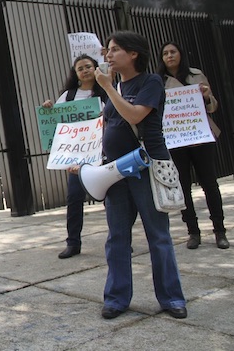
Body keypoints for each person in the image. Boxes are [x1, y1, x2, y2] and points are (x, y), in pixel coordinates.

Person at [93, 30, 186, 320]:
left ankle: (171, 298)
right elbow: (108, 128)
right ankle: (116, 298)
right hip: (116, 173)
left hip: (146, 169)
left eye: (115, 49)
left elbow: (135, 116)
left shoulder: (150, 82)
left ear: (133, 54)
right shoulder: (113, 88)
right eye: (108, 50)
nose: (108, 55)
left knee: (158, 236)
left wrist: (108, 89)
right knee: (117, 237)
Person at [157, 42, 229, 250]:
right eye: (165, 53)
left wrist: (206, 97)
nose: (169, 56)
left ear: (181, 54)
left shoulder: (196, 75)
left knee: (210, 184)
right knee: (183, 187)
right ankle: (193, 232)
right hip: (176, 140)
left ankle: (220, 230)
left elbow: (213, 106)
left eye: (173, 52)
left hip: (200, 136)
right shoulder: (158, 81)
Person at [42, 54, 108, 259]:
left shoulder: (106, 92)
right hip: (76, 159)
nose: (85, 70)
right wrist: (48, 110)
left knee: (112, 200)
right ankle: (73, 243)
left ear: (95, 68)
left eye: (88, 66)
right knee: (74, 199)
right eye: (80, 68)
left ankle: (121, 238)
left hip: (104, 154)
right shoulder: (68, 97)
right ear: (76, 74)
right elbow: (57, 125)